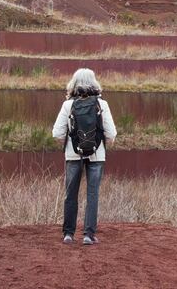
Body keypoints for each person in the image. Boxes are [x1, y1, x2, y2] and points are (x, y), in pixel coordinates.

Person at [52, 68, 117, 245]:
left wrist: (72, 142)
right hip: (97, 155)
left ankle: (68, 234)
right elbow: (112, 134)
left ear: (74, 83)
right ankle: (88, 235)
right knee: (92, 194)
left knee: (70, 194)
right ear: (94, 82)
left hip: (73, 155)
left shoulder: (68, 105)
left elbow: (56, 133)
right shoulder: (101, 104)